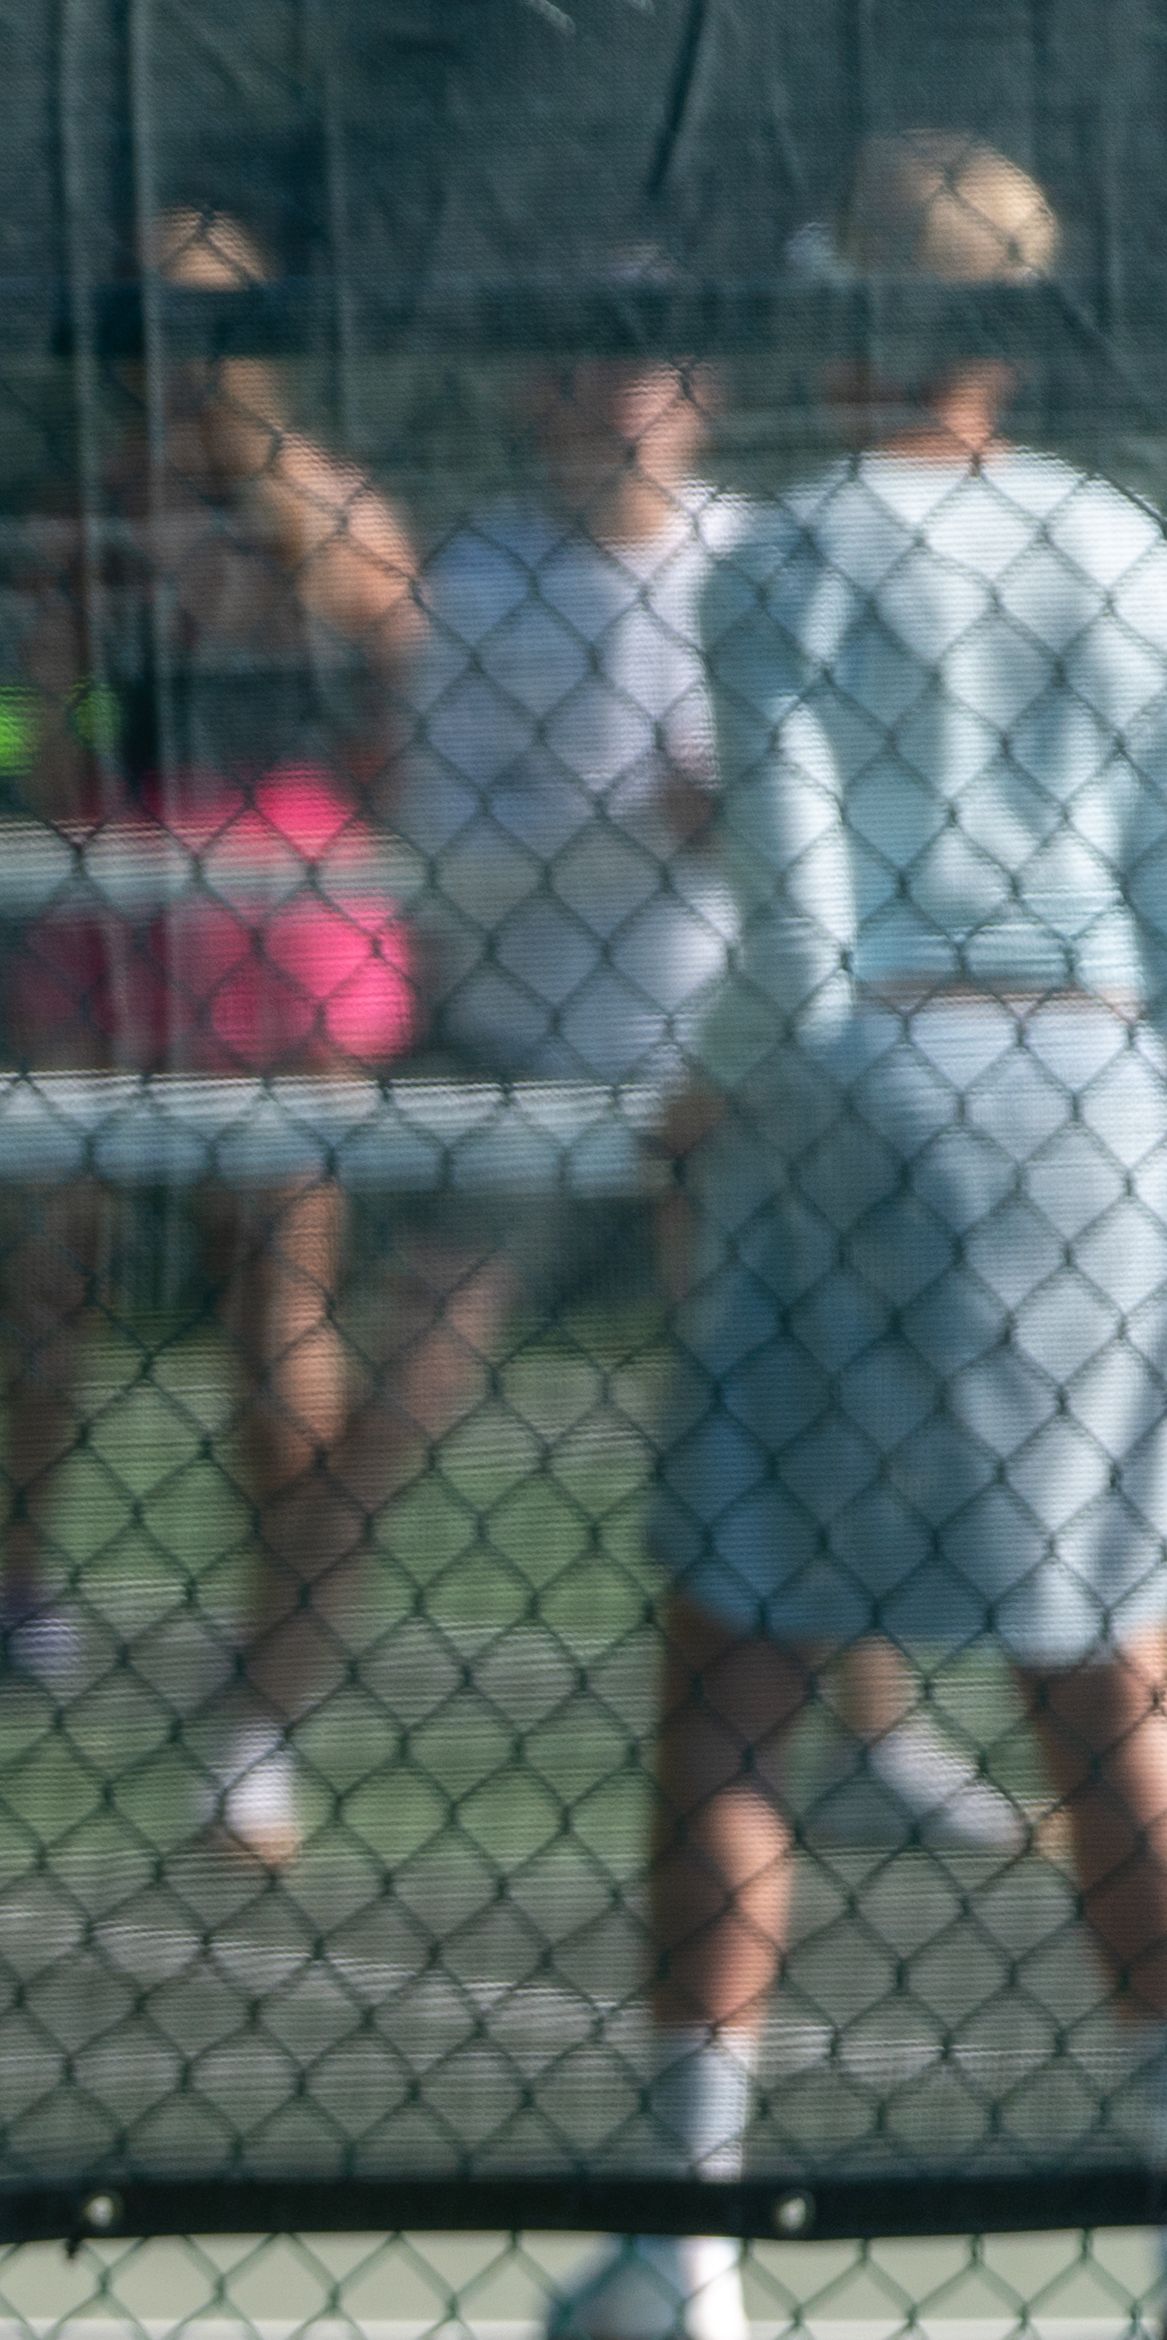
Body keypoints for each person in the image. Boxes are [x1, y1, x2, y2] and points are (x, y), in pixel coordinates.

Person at [543, 141, 1167, 2340]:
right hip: (1105, 1102)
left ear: (843, 324)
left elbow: (798, 914)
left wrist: (722, 1104)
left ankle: (680, 2232)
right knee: (1101, 1668)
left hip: (873, 1096)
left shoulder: (792, 553)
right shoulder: (1120, 543)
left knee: (734, 1663)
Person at [295, 309, 1018, 1873]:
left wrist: (753, 811)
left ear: (705, 393)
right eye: (579, 360)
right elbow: (445, 845)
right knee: (407, 1391)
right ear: (524, 381)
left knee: (810, 1394)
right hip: (518, 1059)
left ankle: (875, 1737)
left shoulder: (762, 557)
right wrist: (654, 820)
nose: (614, 393)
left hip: (728, 1064)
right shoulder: (473, 585)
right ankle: (258, 1728)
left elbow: (844, 799)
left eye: (650, 365)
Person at [0, 205, 423, 1839]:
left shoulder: (241, 508)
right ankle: (80, 1608)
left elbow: (390, 665)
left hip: (222, 893)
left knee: (206, 1281)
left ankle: (168, 1624)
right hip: (199, 889)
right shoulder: (146, 512)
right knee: (125, 1267)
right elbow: (40, 713)